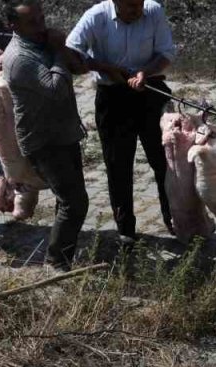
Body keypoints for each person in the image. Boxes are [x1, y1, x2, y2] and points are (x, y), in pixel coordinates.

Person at [64, 0, 177, 246]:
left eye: (139, 4)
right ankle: (126, 228)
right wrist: (105, 67)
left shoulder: (154, 11)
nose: (136, 10)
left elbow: (166, 53)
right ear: (115, 3)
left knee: (164, 160)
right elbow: (71, 52)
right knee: (118, 165)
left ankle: (174, 218)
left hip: (150, 90)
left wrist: (145, 72)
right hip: (113, 94)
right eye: (129, 6)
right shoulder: (96, 16)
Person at [2, 0, 89, 270]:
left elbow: (78, 67)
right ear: (13, 26)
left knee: (68, 199)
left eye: (41, 18)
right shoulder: (19, 58)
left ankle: (62, 249)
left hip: (63, 133)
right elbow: (56, 88)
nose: (41, 26)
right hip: (44, 141)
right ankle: (57, 260)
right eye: (32, 22)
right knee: (75, 203)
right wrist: (59, 51)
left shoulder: (41, 42)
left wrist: (61, 50)